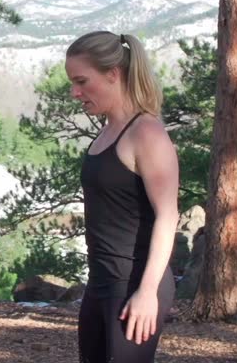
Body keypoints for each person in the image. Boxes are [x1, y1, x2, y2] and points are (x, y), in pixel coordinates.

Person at [65, 31, 179, 363]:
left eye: (82, 81)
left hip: (136, 283)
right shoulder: (106, 134)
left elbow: (167, 215)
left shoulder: (146, 133)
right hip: (101, 282)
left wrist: (146, 293)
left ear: (113, 74)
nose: (76, 92)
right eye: (73, 83)